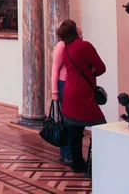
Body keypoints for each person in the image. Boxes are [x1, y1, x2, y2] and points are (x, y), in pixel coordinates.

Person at [58, 20, 106, 174]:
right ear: (74, 30)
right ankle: (95, 165)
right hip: (82, 93)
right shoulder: (85, 46)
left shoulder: (65, 49)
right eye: (77, 25)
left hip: (69, 91)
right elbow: (101, 67)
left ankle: (77, 163)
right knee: (101, 127)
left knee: (74, 131)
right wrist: (91, 72)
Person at [51, 24, 84, 166]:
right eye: (77, 26)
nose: (80, 27)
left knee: (71, 121)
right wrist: (54, 91)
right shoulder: (61, 45)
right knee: (68, 121)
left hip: (72, 85)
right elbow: (55, 69)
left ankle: (68, 153)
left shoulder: (74, 44)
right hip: (64, 85)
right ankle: (68, 154)